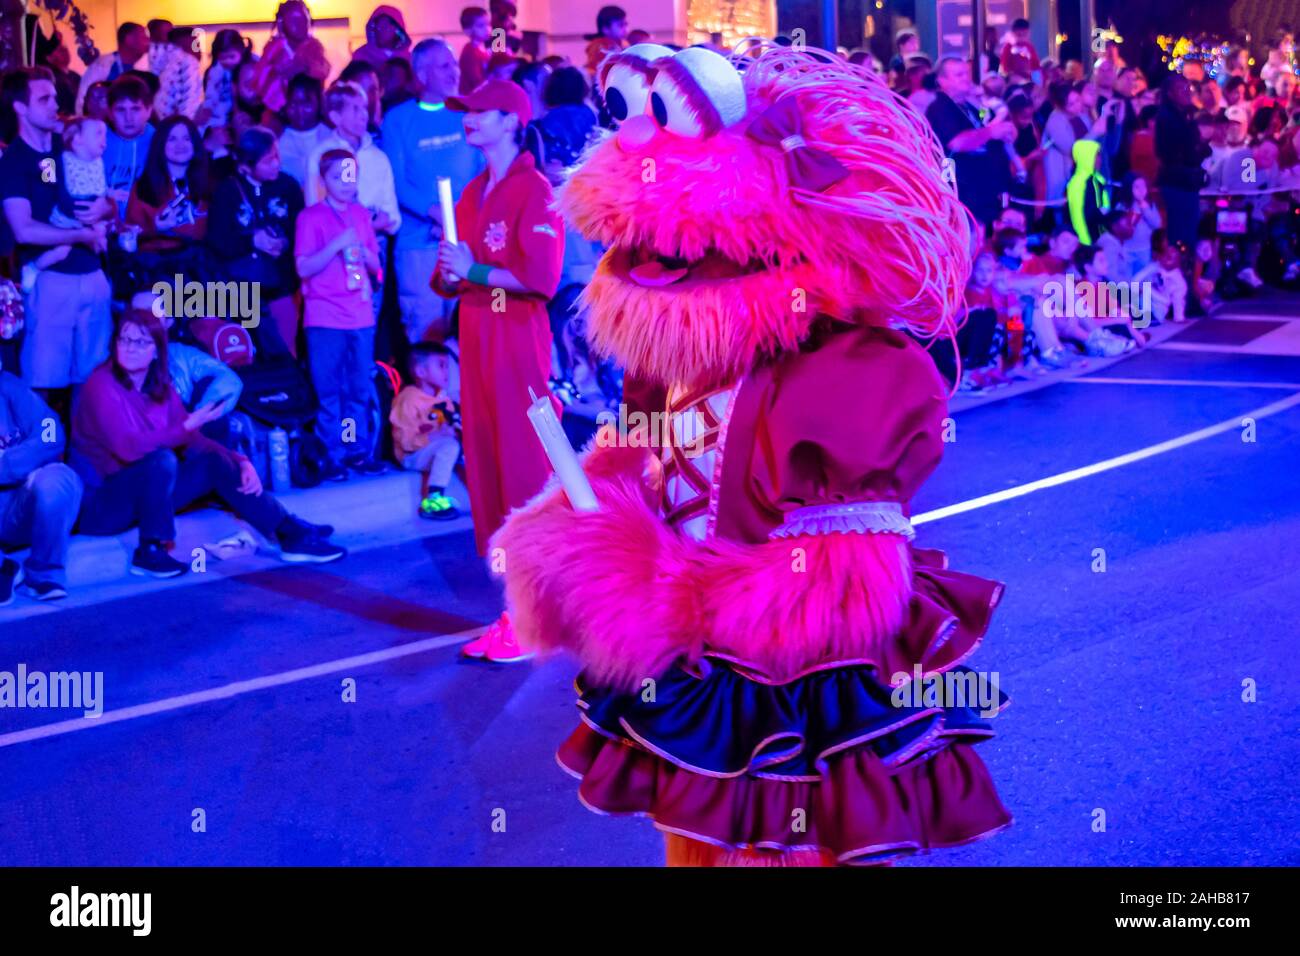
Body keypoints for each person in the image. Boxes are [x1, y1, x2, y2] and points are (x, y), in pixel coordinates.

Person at [493, 46, 1010, 867]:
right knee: (696, 842)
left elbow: (846, 583)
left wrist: (663, 603)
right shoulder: (672, 356)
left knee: (787, 844)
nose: (654, 267)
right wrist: (579, 540)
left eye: (687, 247)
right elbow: (644, 468)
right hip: (701, 671)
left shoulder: (846, 368)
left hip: (790, 685)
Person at [434, 79, 564, 659]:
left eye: (480, 112)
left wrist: (475, 271)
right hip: (477, 342)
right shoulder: (469, 192)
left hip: (516, 343)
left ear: (510, 121)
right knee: (485, 471)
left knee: (522, 470)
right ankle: (516, 609)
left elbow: (541, 279)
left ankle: (536, 613)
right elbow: (456, 275)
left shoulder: (534, 190)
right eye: (466, 111)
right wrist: (449, 271)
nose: (469, 118)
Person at [70, 310, 345, 578]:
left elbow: (191, 439)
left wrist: (240, 461)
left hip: (146, 494)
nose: (129, 348)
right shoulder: (100, 384)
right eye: (124, 339)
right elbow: (129, 447)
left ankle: (287, 531)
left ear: (156, 350)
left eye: (140, 341)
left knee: (212, 460)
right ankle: (149, 552)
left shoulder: (159, 385)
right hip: (103, 504)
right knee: (161, 460)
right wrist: (186, 426)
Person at [0, 68, 113, 395]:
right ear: (20, 108)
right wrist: (80, 236)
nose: (54, 105)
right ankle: (49, 444)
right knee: (44, 382)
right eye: (44, 99)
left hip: (93, 274)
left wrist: (105, 207)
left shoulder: (71, 141)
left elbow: (105, 193)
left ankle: (87, 447)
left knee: (95, 382)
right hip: (51, 281)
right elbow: (23, 230)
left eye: (55, 97)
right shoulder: (14, 162)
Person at [382, 38, 483, 343]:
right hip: (419, 245)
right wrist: (436, 213)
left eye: (453, 64)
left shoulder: (470, 111)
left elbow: (484, 172)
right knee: (426, 332)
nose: (454, 72)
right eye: (444, 66)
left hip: (468, 242)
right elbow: (397, 183)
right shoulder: (398, 120)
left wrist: (460, 216)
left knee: (468, 332)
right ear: (422, 75)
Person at [295, 148, 384, 478]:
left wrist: (363, 250)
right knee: (329, 389)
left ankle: (354, 449)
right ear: (323, 181)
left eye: (351, 175)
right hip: (325, 315)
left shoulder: (361, 214)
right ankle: (330, 453)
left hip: (359, 312)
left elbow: (375, 262)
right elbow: (303, 266)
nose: (347, 182)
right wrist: (336, 245)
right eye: (338, 176)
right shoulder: (311, 217)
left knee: (357, 388)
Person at [207, 127, 305, 358]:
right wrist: (252, 241)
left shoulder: (288, 186)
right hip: (240, 289)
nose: (276, 164)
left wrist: (285, 243)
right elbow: (217, 241)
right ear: (245, 166)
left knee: (284, 352)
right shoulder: (227, 191)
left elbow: (301, 230)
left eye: (277, 157)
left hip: (281, 285)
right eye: (268, 160)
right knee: (244, 356)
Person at [0, 362, 83, 603]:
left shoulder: (10, 387)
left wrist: (7, 464)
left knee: (58, 478)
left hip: (17, 508)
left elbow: (51, 433)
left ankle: (42, 574)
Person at [926, 57, 1015, 230]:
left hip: (985, 190)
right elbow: (956, 142)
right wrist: (991, 132)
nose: (966, 78)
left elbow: (984, 120)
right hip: (965, 193)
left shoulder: (967, 104)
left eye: (966, 73)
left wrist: (980, 103)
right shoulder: (940, 106)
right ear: (942, 80)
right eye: (959, 75)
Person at [390, 342, 462, 519]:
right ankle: (433, 500)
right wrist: (436, 435)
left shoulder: (443, 399)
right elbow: (405, 442)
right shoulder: (408, 399)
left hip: (436, 450)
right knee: (449, 446)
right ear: (421, 372)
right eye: (440, 366)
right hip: (412, 456)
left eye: (447, 366)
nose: (447, 371)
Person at [125, 115, 211, 264]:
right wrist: (155, 227)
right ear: (161, 145)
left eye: (186, 138)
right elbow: (130, 234)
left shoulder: (210, 183)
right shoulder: (144, 187)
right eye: (172, 139)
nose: (180, 145)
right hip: (160, 269)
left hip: (201, 268)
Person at [1156, 74, 1209, 251]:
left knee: (1189, 234)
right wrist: (1199, 147)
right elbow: (1183, 150)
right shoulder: (1168, 118)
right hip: (1177, 184)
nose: (1187, 93)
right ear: (1170, 94)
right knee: (1179, 236)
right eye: (1181, 89)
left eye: (1188, 88)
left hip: (1187, 183)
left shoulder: (1185, 115)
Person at [255, 0, 331, 114]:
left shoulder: (314, 46)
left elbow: (324, 69)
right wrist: (275, 71)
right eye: (294, 19)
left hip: (310, 110)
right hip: (277, 111)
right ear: (281, 23)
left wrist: (304, 67)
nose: (300, 24)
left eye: (304, 19)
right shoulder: (273, 49)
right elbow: (259, 82)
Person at [104, 75, 157, 217]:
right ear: (110, 113)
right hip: (101, 227)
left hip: (148, 228)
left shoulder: (160, 142)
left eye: (135, 109)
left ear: (149, 110)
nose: (128, 118)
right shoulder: (95, 139)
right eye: (120, 110)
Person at [75, 21, 150, 112]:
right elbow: (82, 100)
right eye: (143, 37)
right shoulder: (103, 65)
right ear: (128, 39)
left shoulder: (145, 67)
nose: (148, 40)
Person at [277, 74, 332, 187]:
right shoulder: (279, 139)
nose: (299, 111)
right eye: (293, 104)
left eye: (306, 104)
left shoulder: (330, 136)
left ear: (319, 104)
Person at [198, 29, 253, 130]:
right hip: (223, 122)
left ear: (241, 50)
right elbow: (211, 96)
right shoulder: (214, 72)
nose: (228, 61)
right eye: (223, 58)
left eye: (232, 56)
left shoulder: (252, 66)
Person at [155, 26, 204, 120]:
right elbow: (188, 105)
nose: (200, 51)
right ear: (183, 44)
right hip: (182, 127)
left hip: (165, 125)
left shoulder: (162, 62)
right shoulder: (188, 62)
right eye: (196, 45)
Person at [351, 6, 411, 70]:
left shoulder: (408, 59)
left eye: (386, 27)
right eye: (379, 27)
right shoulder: (361, 56)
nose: (381, 31)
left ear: (397, 29)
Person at [458, 6, 493, 96]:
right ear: (468, 31)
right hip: (471, 99)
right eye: (481, 26)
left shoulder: (485, 50)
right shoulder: (469, 52)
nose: (487, 29)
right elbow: (477, 82)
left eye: (488, 24)